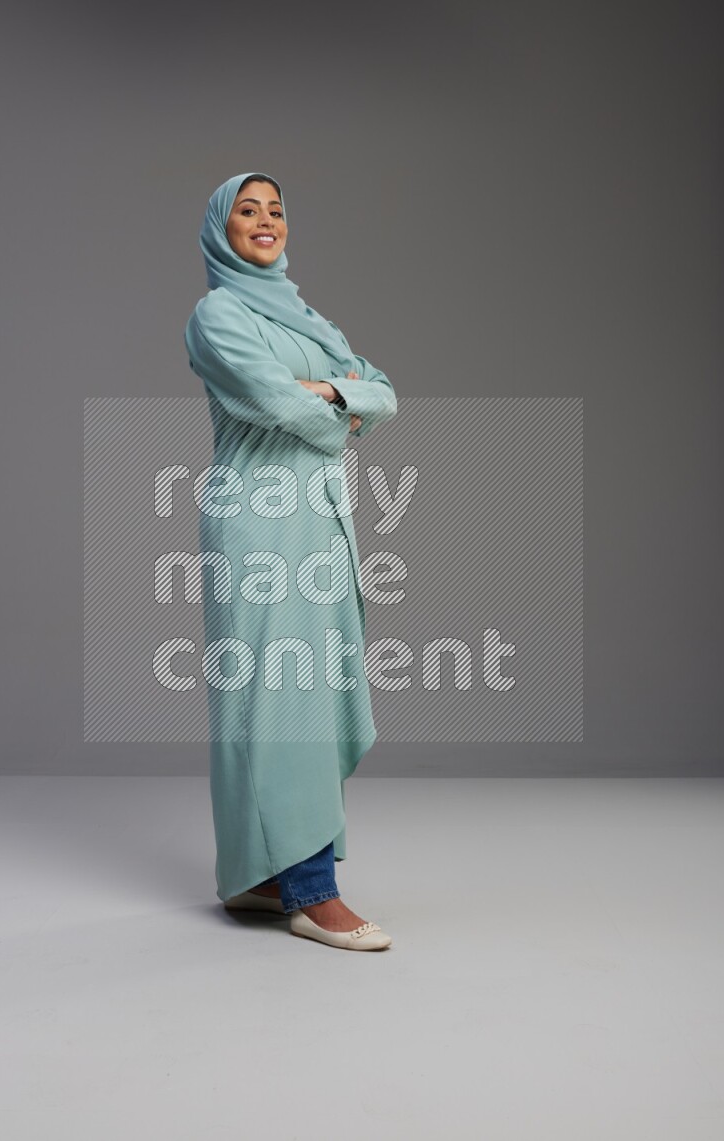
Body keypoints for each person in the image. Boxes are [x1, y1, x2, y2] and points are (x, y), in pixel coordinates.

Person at [184, 172, 398, 951]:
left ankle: (254, 876)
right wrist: (341, 401)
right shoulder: (219, 314)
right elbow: (280, 406)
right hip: (260, 524)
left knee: (301, 693)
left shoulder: (308, 317)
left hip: (322, 522)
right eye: (247, 210)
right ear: (221, 229)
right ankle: (311, 890)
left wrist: (333, 393)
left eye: (276, 210)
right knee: (277, 704)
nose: (265, 221)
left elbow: (385, 392)